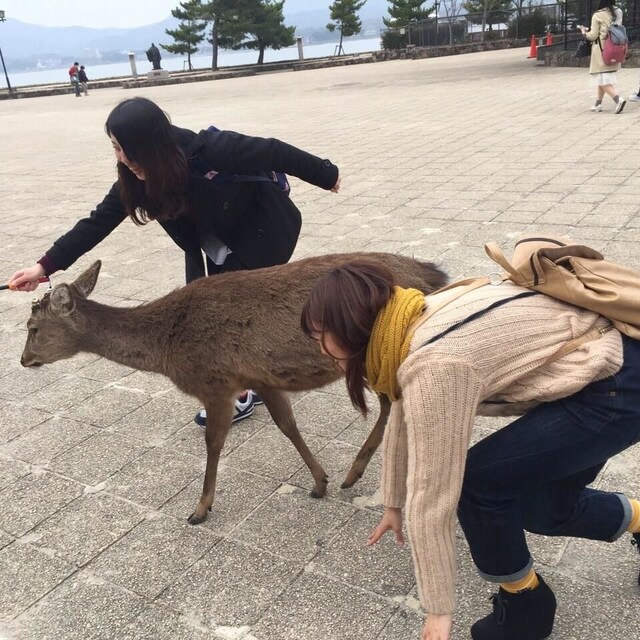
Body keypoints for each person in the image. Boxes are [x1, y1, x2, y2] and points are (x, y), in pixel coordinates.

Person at [301, 258, 640, 640]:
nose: (319, 347)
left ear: (349, 325)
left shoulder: (434, 364)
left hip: (616, 391)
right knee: (545, 509)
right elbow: (403, 405)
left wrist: (438, 609)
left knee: (478, 486)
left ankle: (526, 606)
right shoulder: (409, 319)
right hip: (607, 367)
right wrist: (393, 502)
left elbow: (433, 493)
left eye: (320, 333)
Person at [8, 96, 340, 425]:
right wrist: (43, 267)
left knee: (228, 313)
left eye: (128, 148)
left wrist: (327, 175)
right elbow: (96, 222)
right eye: (116, 148)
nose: (123, 159)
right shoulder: (133, 179)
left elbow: (274, 151)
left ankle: (241, 391)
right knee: (203, 308)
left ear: (152, 143)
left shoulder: (209, 150)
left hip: (260, 231)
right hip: (211, 240)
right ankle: (260, 375)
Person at [580, 0, 626, 113]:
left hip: (601, 51)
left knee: (601, 79)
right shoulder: (618, 12)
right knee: (601, 78)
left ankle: (618, 99)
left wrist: (584, 32)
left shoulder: (598, 15)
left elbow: (593, 36)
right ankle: (598, 104)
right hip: (614, 49)